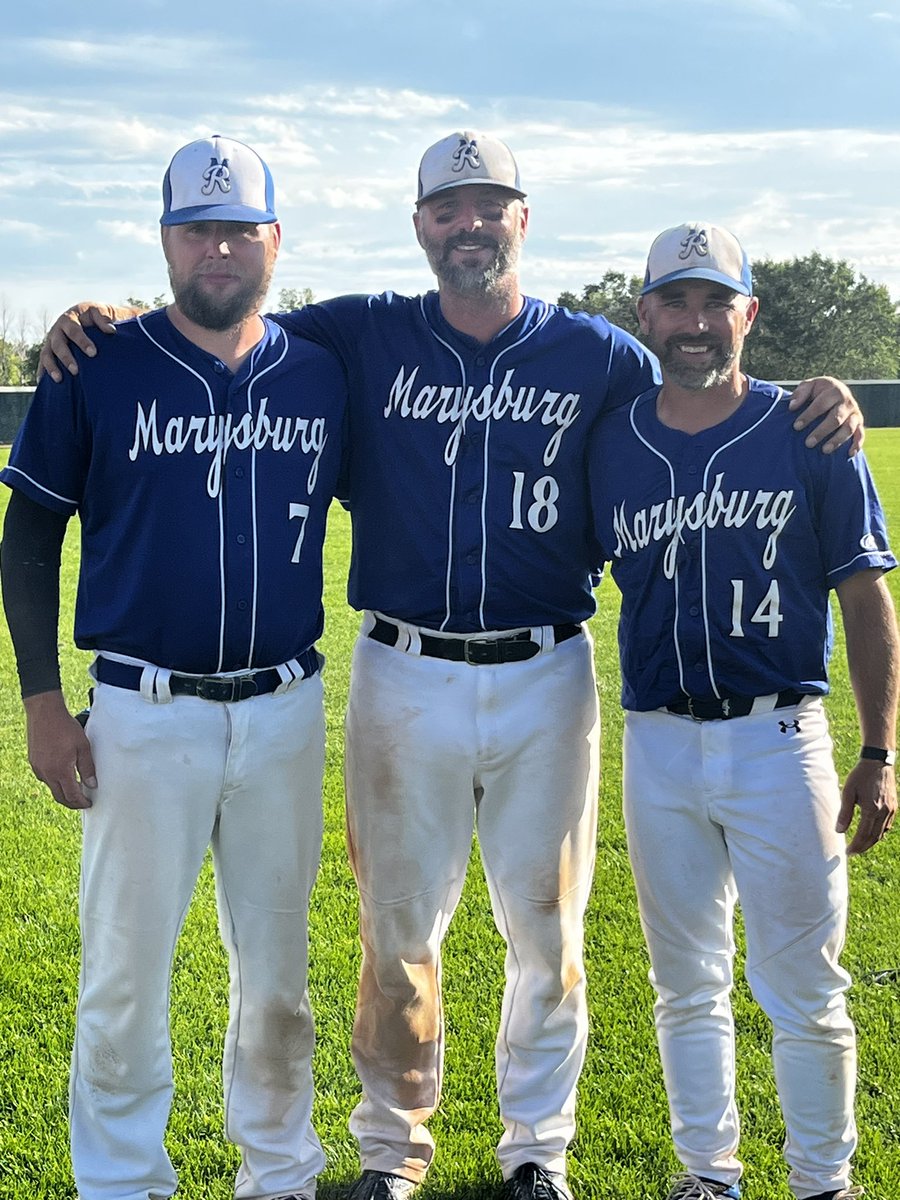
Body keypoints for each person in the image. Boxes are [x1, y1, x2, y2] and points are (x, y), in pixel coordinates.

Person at [37, 134, 865, 1200]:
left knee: (549, 930)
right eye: (446, 208)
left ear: (524, 217)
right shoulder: (359, 334)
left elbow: (706, 386)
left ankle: (537, 1149)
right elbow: (217, 318)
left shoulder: (599, 355)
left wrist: (821, 390)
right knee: (396, 932)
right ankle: (391, 1148)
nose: (468, 224)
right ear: (419, 223)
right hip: (403, 671)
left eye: (490, 204)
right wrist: (95, 319)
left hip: (545, 670)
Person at [0, 135, 346, 1200]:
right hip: (142, 710)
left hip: (284, 707)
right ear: (164, 240)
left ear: (275, 241)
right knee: (121, 976)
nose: (218, 248)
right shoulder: (94, 364)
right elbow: (27, 538)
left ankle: (280, 1173)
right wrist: (44, 703)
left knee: (279, 979)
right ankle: (117, 1182)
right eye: (197, 228)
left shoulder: (322, 370)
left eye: (239, 227)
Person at [589, 222, 898, 1200]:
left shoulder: (811, 430)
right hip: (659, 743)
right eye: (674, 300)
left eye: (714, 299)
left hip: (782, 740)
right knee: (686, 986)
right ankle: (708, 1177)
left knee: (806, 988)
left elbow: (866, 600)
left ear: (748, 313)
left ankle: (823, 1181)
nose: (694, 321)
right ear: (645, 315)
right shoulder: (612, 442)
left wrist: (882, 752)